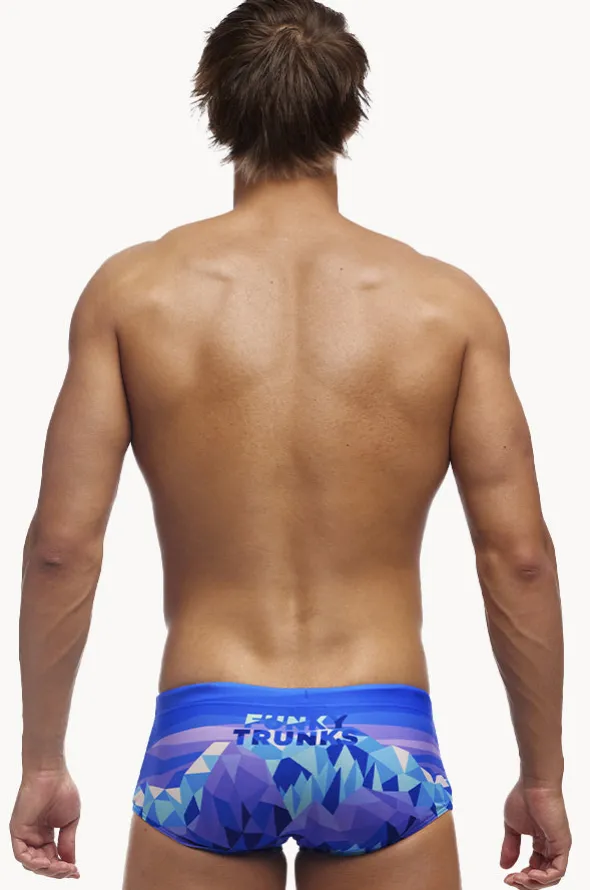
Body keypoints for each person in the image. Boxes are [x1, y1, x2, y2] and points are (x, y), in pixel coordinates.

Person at [10, 1, 571, 888]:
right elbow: (521, 560)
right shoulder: (448, 307)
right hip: (384, 736)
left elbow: (61, 549)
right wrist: (542, 777)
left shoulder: (133, 294)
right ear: (349, 115)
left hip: (207, 733)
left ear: (214, 106)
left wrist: (42, 761)